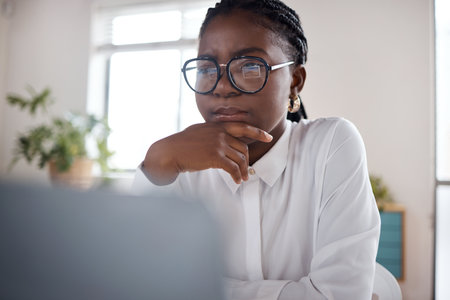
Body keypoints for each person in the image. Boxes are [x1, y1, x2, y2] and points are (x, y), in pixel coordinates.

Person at [132, 0, 380, 299]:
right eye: (207, 68)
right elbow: (138, 281)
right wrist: (156, 164)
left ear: (294, 83)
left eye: (250, 66)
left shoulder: (331, 144)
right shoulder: (177, 164)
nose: (222, 86)